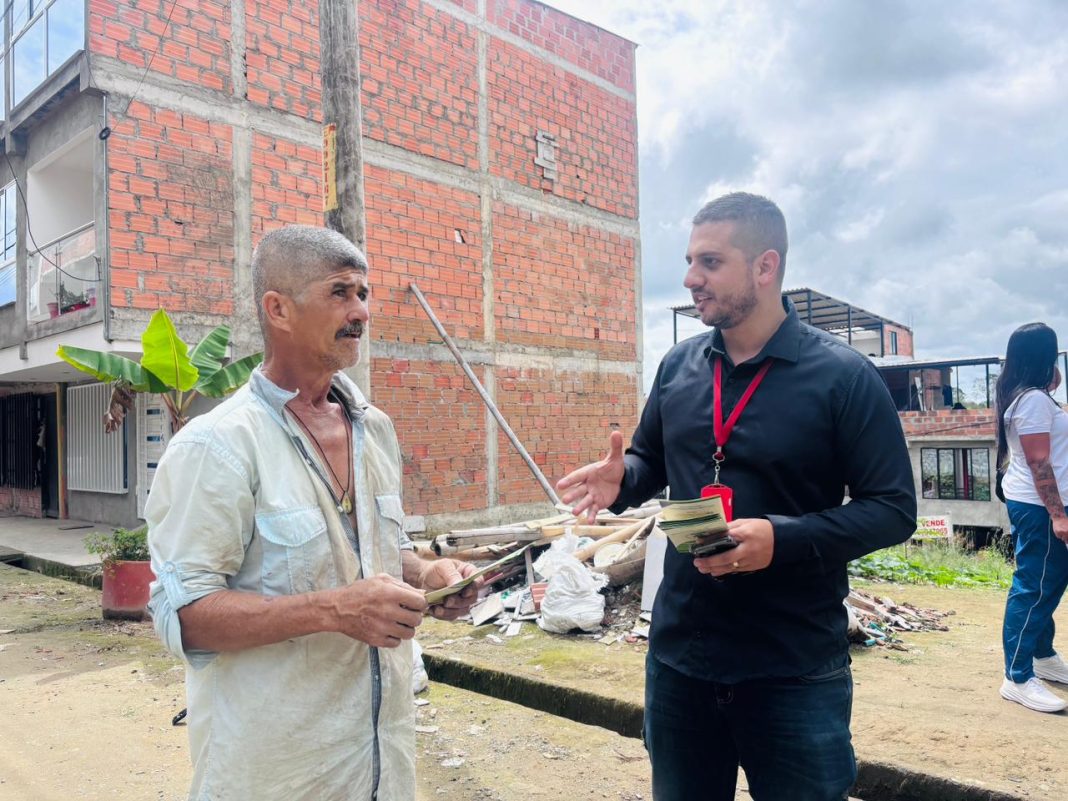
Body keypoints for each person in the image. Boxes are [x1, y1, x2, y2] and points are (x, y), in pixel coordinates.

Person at [557, 192, 916, 801]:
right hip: (680, 660)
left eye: (710, 263)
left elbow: (892, 509)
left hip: (793, 666)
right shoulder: (678, 367)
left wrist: (785, 539)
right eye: (690, 261)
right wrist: (626, 480)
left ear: (765, 266)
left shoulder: (844, 378)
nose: (691, 279)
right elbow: (651, 459)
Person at [146, 225, 481, 800]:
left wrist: (429, 576)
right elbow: (186, 615)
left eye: (364, 294)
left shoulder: (374, 429)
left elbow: (378, 549)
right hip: (276, 773)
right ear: (278, 308)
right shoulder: (218, 446)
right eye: (340, 293)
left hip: (380, 767)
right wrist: (332, 610)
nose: (361, 312)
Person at [996, 323, 1068, 713]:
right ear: (1046, 355)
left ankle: (1042, 656)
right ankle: (1018, 677)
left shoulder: (1030, 395)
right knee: (1035, 585)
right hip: (1041, 506)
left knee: (1049, 582)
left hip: (1041, 504)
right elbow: (1039, 460)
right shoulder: (1034, 401)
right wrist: (1058, 516)